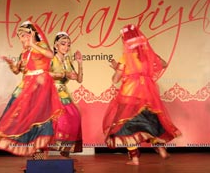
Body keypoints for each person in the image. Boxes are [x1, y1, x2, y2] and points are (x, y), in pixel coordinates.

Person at [102, 24, 181, 165]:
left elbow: (115, 80)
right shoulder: (146, 56)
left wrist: (118, 69)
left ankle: (135, 158)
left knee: (127, 127)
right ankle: (161, 149)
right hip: (146, 95)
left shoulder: (125, 58)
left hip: (129, 95)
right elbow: (163, 63)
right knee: (151, 123)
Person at [0, 21, 64, 160]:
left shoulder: (40, 46)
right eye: (20, 37)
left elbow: (50, 55)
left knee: (40, 118)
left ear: (32, 34)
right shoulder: (24, 53)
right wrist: (12, 65)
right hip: (27, 88)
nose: (22, 39)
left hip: (40, 89)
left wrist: (33, 44)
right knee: (21, 116)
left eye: (24, 36)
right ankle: (33, 148)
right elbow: (18, 70)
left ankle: (40, 149)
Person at [49, 31, 83, 157]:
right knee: (51, 123)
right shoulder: (51, 59)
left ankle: (65, 152)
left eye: (68, 44)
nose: (66, 47)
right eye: (63, 44)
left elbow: (79, 79)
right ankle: (39, 155)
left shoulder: (67, 61)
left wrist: (80, 63)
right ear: (56, 45)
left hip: (64, 93)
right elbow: (46, 74)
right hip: (51, 93)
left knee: (74, 117)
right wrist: (64, 74)